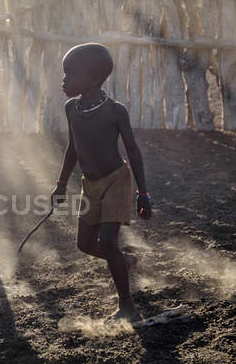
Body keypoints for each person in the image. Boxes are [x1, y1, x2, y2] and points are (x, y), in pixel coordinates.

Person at [51, 43, 152, 323]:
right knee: (85, 244)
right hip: (90, 184)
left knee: (107, 241)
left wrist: (143, 193)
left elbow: (132, 150)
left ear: (94, 79)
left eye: (70, 74)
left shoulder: (115, 111)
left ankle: (127, 306)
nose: (64, 80)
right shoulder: (71, 108)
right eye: (64, 74)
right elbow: (73, 148)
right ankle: (125, 261)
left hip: (117, 181)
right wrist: (61, 184)